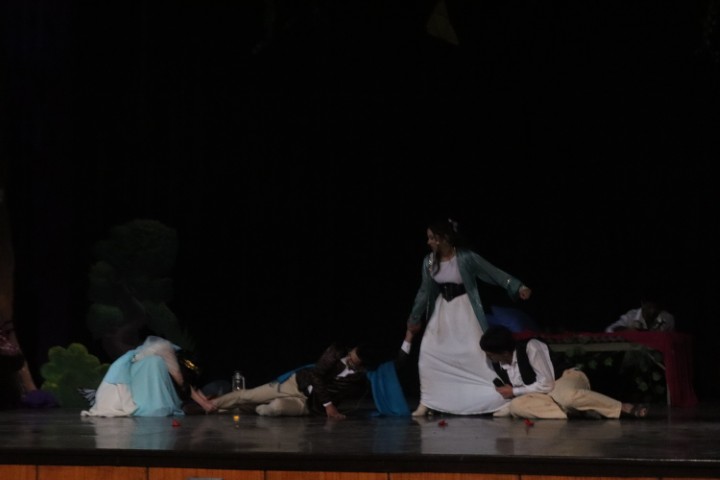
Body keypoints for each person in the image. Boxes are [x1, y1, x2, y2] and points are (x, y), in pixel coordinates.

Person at [406, 218, 532, 416]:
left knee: (475, 354)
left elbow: (493, 272)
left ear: (443, 238)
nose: (428, 242)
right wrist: (414, 318)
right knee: (429, 354)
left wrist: (517, 286)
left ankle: (497, 400)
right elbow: (424, 291)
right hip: (442, 311)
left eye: (431, 237)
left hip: (464, 309)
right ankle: (428, 400)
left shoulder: (465, 257)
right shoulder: (429, 261)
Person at [207, 329, 416, 419]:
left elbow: (396, 364)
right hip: (294, 384)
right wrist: (330, 405)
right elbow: (317, 375)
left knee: (273, 408)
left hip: (308, 404)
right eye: (352, 354)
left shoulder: (364, 374)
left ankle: (244, 409)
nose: (351, 359)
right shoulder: (336, 352)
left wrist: (409, 336)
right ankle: (210, 405)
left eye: (355, 361)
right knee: (248, 395)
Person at [480, 325, 649, 419]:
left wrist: (514, 391)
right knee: (517, 406)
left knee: (567, 397)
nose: (489, 357)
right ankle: (575, 411)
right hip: (544, 394)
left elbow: (547, 384)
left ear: (504, 352)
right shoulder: (499, 365)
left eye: (491, 354)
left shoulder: (531, 347)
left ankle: (621, 407)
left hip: (563, 378)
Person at [81, 336, 215, 417]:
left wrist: (204, 400)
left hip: (136, 369)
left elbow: (188, 383)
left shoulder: (172, 352)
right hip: (133, 371)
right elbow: (181, 380)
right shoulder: (166, 350)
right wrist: (204, 404)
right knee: (156, 364)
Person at [605, 294, 675, 332]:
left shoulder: (667, 317)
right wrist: (628, 330)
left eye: (655, 307)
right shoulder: (632, 315)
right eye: (649, 307)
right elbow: (610, 329)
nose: (653, 311)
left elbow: (654, 334)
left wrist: (639, 331)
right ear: (642, 304)